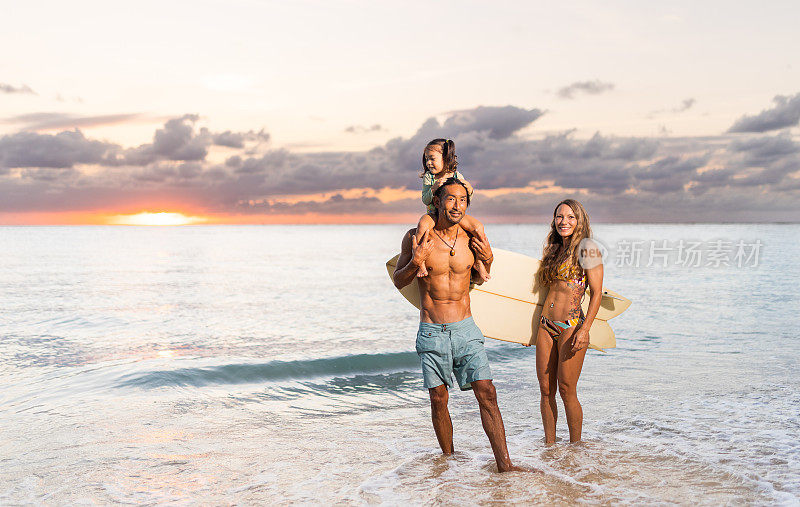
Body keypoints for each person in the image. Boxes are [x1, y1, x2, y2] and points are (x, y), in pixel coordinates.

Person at [393, 177, 522, 473]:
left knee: (487, 390)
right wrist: (416, 261)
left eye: (462, 200)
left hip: (465, 327)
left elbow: (477, 278)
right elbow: (399, 280)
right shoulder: (416, 237)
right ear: (437, 202)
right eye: (451, 199)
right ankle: (448, 464)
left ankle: (505, 465)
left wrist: (487, 260)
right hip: (432, 330)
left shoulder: (469, 239)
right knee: (439, 399)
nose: (457, 205)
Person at [535, 199, 604, 444]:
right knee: (545, 391)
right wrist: (526, 331)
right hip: (545, 325)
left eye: (570, 217)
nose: (564, 222)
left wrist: (585, 330)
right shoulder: (553, 250)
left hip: (572, 325)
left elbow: (596, 293)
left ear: (580, 220)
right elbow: (544, 294)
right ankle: (550, 448)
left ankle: (576, 448)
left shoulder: (588, 249)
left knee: (566, 390)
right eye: (559, 217)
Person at [413, 138, 490, 282]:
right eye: (426, 159)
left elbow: (466, 199)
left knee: (478, 227)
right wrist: (433, 189)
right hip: (434, 214)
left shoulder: (457, 176)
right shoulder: (429, 178)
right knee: (422, 225)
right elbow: (425, 199)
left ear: (445, 158)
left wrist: (470, 190)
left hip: (455, 215)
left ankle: (479, 261)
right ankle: (420, 262)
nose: (428, 163)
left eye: (432, 159)